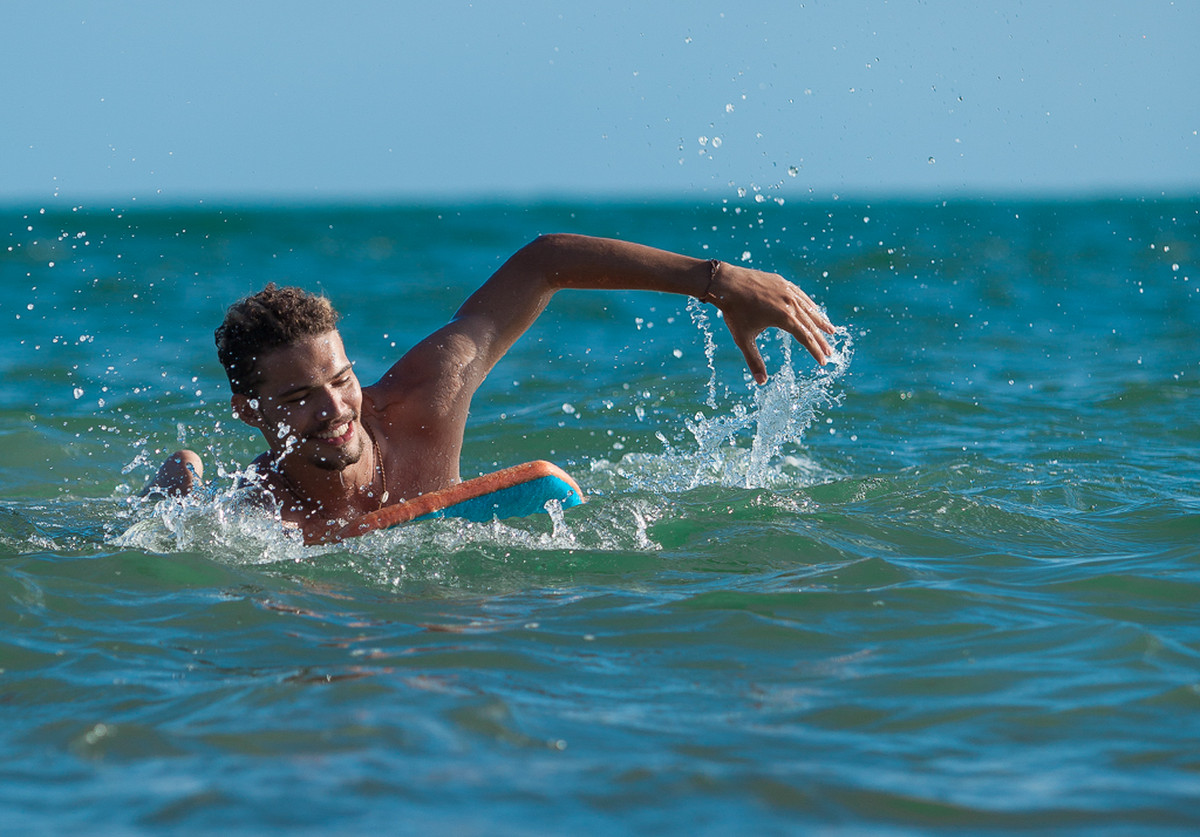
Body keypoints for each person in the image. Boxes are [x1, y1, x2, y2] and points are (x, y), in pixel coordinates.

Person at [145, 233, 836, 543]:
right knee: (181, 505)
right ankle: (176, 482)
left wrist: (717, 281)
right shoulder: (252, 522)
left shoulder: (425, 397)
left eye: (341, 378)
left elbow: (544, 264)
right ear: (249, 410)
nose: (334, 410)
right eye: (299, 397)